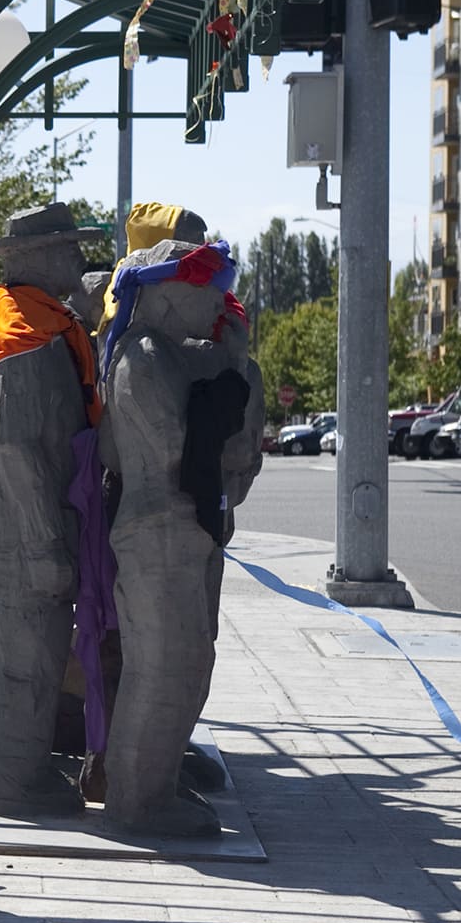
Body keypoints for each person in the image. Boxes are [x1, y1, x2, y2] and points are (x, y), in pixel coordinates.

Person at [98, 237, 263, 837]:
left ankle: (153, 788)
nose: (216, 304)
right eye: (205, 291)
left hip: (173, 530)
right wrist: (228, 383)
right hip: (155, 530)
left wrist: (229, 372)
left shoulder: (164, 354)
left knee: (186, 661)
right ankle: (137, 800)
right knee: (162, 665)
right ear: (168, 295)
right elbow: (172, 446)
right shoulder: (142, 358)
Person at [0, 202, 104, 817]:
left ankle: (12, 770)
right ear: (36, 259)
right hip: (26, 543)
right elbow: (15, 447)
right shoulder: (25, 340)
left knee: (28, 656)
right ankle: (14, 786)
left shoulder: (40, 328)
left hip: (27, 536)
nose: (78, 258)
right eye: (68, 247)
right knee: (28, 661)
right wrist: (48, 540)